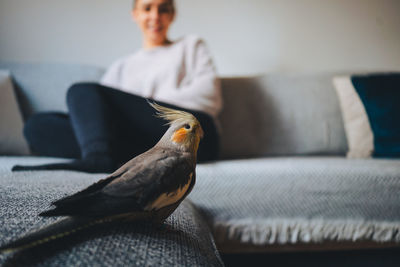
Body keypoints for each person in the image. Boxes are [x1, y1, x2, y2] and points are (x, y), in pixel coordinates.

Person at [12, 0, 222, 173]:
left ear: (173, 14)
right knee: (37, 126)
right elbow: (94, 118)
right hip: (141, 141)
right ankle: (105, 153)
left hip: (192, 134)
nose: (155, 16)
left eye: (164, 8)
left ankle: (98, 159)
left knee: (81, 90)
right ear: (135, 14)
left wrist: (141, 104)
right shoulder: (122, 66)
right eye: (147, 8)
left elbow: (209, 96)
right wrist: (128, 113)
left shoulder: (190, 46)